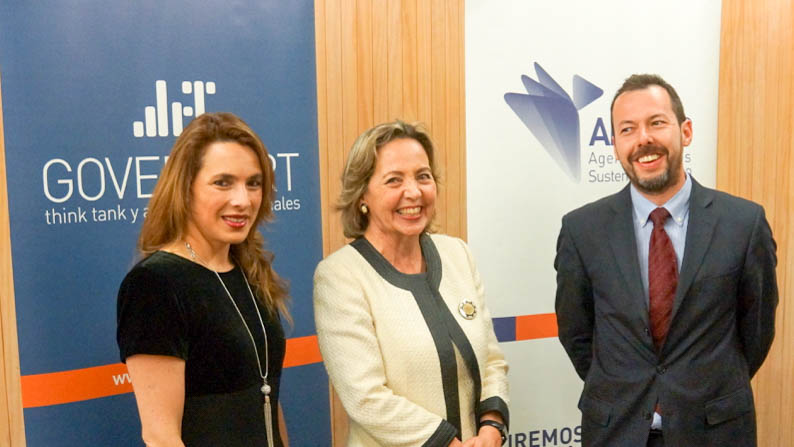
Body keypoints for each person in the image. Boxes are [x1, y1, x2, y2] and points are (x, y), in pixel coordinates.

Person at [555, 74, 778, 446]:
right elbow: (576, 332)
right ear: (615, 145)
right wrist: (624, 386)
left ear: (685, 131)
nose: (643, 139)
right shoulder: (582, 230)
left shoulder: (743, 224)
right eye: (627, 129)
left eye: (656, 123)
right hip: (616, 430)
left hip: (715, 431)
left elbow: (756, 331)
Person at [313, 121, 509, 446]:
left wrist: (492, 427)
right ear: (362, 194)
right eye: (394, 180)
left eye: (423, 176)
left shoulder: (458, 254)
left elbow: (491, 360)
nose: (414, 192)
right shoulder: (340, 276)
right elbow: (366, 398)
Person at [117, 112, 290, 447]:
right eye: (223, 182)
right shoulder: (155, 285)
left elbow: (266, 399)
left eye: (253, 183)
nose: (243, 200)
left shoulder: (249, 270)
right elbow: (161, 437)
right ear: (185, 189)